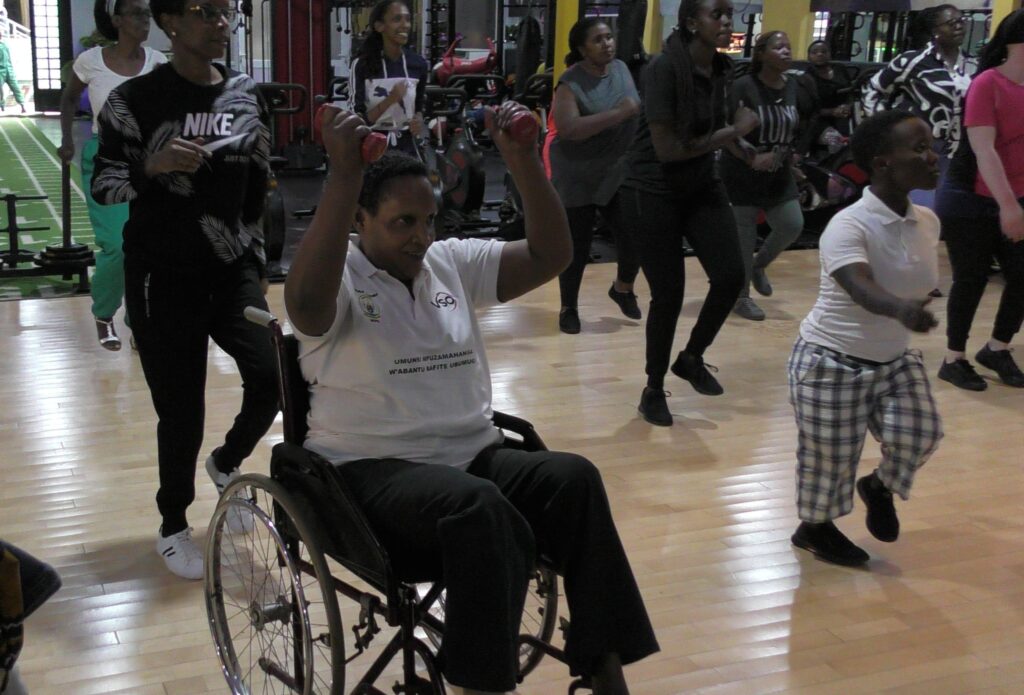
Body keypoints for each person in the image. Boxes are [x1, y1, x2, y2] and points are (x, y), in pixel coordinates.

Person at [284, 103, 659, 695]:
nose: (420, 236)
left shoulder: (449, 262)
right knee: (477, 505)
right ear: (360, 219)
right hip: (370, 472)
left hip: (472, 455)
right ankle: (480, 686)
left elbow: (550, 256)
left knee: (575, 479)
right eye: (402, 222)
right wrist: (343, 174)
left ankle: (603, 668)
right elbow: (304, 306)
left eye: (428, 220)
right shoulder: (339, 273)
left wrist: (523, 161)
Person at [91, 0, 280, 580]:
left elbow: (260, 177)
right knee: (181, 410)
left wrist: (256, 255)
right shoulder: (135, 102)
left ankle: (225, 463)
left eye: (227, 13)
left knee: (274, 379)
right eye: (205, 12)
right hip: (161, 277)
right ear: (170, 23)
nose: (220, 24)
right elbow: (102, 183)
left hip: (231, 270)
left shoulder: (246, 94)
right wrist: (151, 166)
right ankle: (173, 525)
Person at [788, 111, 944, 567]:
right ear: (882, 163)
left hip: (893, 360)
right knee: (830, 461)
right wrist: (902, 310)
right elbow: (859, 286)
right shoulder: (848, 225)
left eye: (930, 145)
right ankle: (814, 530)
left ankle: (877, 487)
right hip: (831, 361)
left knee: (922, 433)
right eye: (917, 149)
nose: (932, 156)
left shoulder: (928, 222)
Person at [617, 0, 758, 426]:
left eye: (730, 14)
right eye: (718, 14)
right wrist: (734, 133)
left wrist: (745, 149)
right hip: (652, 188)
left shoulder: (719, 68)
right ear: (692, 21)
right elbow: (668, 150)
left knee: (732, 276)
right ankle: (653, 388)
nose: (726, 22)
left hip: (700, 183)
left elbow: (714, 126)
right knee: (669, 295)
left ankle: (692, 357)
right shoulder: (663, 68)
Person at [58, 0, 167, 351]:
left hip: (151, 163)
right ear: (117, 20)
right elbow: (69, 98)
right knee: (118, 245)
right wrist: (65, 140)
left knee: (150, 247)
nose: (144, 21)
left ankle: (140, 321)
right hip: (106, 161)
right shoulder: (91, 61)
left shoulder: (157, 63)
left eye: (148, 15)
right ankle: (104, 313)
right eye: (137, 14)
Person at [934, 9, 1024, 391]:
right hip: (970, 198)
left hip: (1015, 196)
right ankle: (954, 359)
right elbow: (984, 151)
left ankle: (997, 348)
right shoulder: (987, 84)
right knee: (971, 278)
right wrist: (1008, 206)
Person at [550, 17, 642, 334]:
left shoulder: (620, 69)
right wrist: (620, 113)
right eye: (598, 39)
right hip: (577, 173)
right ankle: (568, 308)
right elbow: (569, 129)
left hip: (616, 171)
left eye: (609, 37)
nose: (608, 44)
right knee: (577, 245)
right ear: (581, 48)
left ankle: (622, 288)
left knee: (635, 235)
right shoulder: (569, 83)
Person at [721, 30, 813, 321]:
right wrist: (750, 156)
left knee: (792, 223)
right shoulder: (742, 86)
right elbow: (724, 132)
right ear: (761, 54)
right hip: (741, 171)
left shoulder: (794, 87)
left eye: (788, 46)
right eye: (778, 47)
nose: (786, 51)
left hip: (778, 171)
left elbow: (800, 124)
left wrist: (794, 157)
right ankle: (741, 296)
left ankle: (760, 265)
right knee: (744, 236)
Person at [862, 4, 975, 209]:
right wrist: (885, 129)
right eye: (951, 23)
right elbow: (873, 89)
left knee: (948, 214)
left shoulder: (973, 65)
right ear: (935, 31)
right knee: (920, 212)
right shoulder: (913, 61)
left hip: (959, 152)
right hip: (921, 149)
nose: (959, 26)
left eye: (961, 21)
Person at [349, 0, 428, 157]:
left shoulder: (418, 64)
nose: (405, 25)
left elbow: (419, 108)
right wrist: (391, 99)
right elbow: (357, 119)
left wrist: (418, 121)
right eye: (397, 19)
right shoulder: (362, 65)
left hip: (407, 146)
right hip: (371, 147)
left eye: (407, 19)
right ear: (379, 26)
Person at [805, 39, 852, 140]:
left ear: (830, 54)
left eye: (824, 51)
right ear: (808, 56)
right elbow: (808, 109)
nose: (820, 54)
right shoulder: (807, 77)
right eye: (815, 52)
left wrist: (848, 106)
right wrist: (832, 111)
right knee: (835, 139)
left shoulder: (840, 68)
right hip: (820, 118)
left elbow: (851, 91)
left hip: (844, 115)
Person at [0, 32, 26, 113]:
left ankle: (22, 105)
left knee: (16, 87)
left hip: (8, 69)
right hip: (1, 70)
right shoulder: (4, 45)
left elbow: (9, 57)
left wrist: (11, 67)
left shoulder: (5, 44)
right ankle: (2, 106)